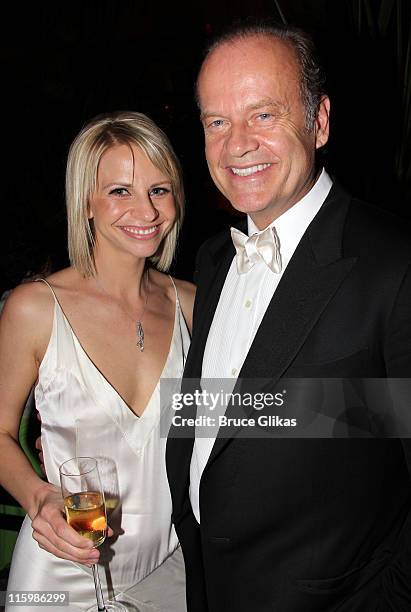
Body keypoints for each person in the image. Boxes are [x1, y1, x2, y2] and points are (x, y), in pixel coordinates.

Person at [166, 21, 411, 611]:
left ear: (319, 121)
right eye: (216, 122)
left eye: (264, 115)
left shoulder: (396, 261)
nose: (236, 144)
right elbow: (220, 420)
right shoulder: (214, 257)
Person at [0, 111, 195, 611]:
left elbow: (235, 422)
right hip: (58, 572)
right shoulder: (36, 307)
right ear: (86, 201)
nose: (146, 211)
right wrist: (37, 496)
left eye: (159, 189)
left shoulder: (196, 305)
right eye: (119, 191)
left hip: (169, 573)